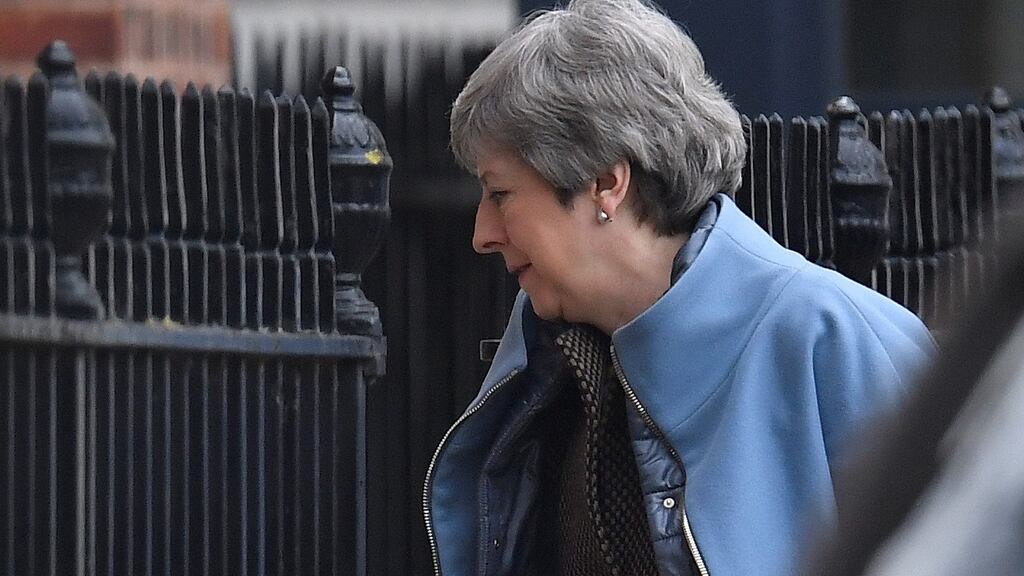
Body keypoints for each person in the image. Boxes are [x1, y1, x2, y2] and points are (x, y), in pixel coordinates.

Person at [423, 1, 936, 574]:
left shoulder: (840, 338)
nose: (482, 235)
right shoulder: (538, 359)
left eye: (500, 194)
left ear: (605, 182)